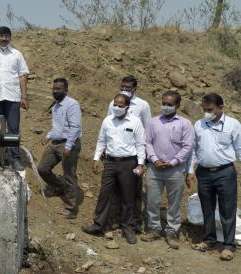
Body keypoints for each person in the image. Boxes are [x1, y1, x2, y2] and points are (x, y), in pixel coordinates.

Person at [83, 94, 145, 244]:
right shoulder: (107, 121)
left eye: (120, 105)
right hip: (110, 162)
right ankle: (98, 225)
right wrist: (96, 158)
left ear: (127, 107)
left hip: (128, 163)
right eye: (115, 105)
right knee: (105, 193)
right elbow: (101, 140)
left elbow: (140, 144)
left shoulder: (136, 122)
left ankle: (128, 228)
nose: (116, 107)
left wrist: (141, 164)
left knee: (128, 197)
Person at [186, 93, 241, 261]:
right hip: (204, 172)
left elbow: (239, 149)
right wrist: (190, 170)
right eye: (204, 109)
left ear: (221, 107)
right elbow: (194, 150)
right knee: (207, 208)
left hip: (225, 172)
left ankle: (228, 245)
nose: (206, 113)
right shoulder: (199, 124)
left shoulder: (233, 124)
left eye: (210, 109)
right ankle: (209, 240)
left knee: (227, 209)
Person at [142, 91, 194, 249]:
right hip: (154, 168)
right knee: (152, 200)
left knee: (174, 203)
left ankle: (172, 231)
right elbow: (147, 142)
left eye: (169, 104)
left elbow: (187, 147)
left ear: (177, 105)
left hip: (175, 170)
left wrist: (172, 162)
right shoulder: (153, 121)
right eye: (163, 103)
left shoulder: (185, 124)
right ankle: (154, 229)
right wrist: (155, 160)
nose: (165, 106)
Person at [107, 75, 151, 233]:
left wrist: (142, 158)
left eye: (128, 88)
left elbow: (147, 130)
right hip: (116, 153)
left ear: (135, 89)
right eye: (122, 87)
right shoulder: (114, 103)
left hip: (133, 156)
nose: (124, 90)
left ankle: (135, 222)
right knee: (117, 190)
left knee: (134, 191)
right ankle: (118, 220)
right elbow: (109, 124)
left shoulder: (142, 105)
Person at [37, 78, 82, 219]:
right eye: (54, 88)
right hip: (55, 142)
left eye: (59, 89)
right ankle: (58, 187)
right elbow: (58, 126)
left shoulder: (72, 104)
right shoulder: (56, 106)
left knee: (69, 175)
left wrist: (68, 146)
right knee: (42, 168)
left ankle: (72, 209)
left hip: (69, 143)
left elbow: (75, 127)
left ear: (66, 89)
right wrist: (48, 135)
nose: (55, 91)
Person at [0, 26, 29, 171]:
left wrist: (24, 96)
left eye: (6, 36)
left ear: (10, 38)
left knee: (13, 128)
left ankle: (15, 159)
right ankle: (0, 159)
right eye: (1, 35)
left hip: (13, 96)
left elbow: (22, 76)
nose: (3, 38)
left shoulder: (17, 54)